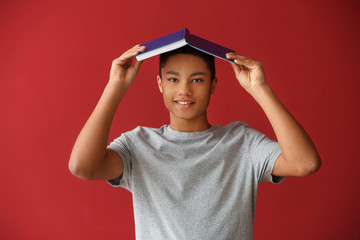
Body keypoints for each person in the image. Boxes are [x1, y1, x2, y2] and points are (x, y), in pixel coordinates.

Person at [69, 44, 321, 240]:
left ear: (213, 85)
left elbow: (305, 163)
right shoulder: (138, 144)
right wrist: (115, 86)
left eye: (197, 80)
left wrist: (260, 89)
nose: (184, 90)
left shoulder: (243, 142)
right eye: (173, 79)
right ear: (160, 84)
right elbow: (83, 166)